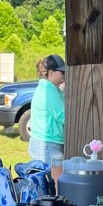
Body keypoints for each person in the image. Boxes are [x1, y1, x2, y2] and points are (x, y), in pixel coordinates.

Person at [28, 54, 66, 182]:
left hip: (47, 144)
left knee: (50, 185)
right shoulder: (48, 91)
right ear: (51, 73)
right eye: (62, 72)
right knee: (52, 185)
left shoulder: (51, 89)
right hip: (46, 145)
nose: (64, 75)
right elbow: (64, 116)